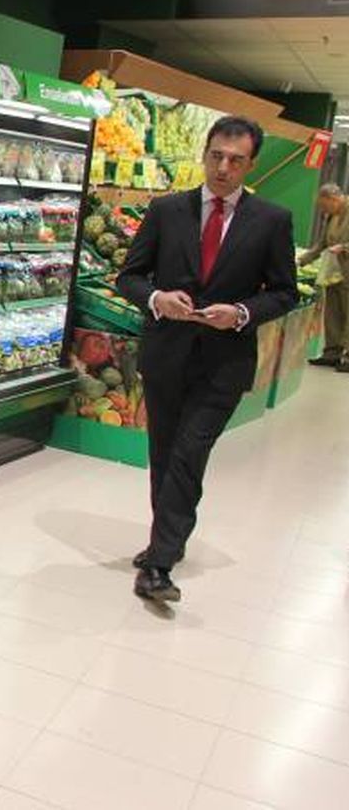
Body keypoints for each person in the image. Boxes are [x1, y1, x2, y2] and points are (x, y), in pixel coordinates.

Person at [115, 116, 299, 604]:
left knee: (189, 452)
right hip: (167, 355)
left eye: (236, 160)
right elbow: (129, 278)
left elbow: (284, 293)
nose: (223, 167)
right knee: (164, 453)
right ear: (205, 154)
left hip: (224, 363)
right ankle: (163, 541)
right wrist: (157, 299)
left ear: (250, 164)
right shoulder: (166, 210)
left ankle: (158, 564)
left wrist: (240, 312)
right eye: (217, 155)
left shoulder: (272, 220)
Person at [301, 184, 349, 370]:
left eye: (324, 206)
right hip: (335, 274)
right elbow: (321, 243)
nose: (323, 210)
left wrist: (344, 248)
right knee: (333, 315)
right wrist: (301, 261)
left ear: (334, 199)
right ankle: (332, 352)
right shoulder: (332, 215)